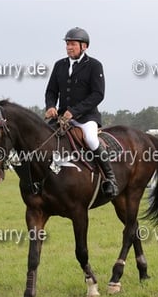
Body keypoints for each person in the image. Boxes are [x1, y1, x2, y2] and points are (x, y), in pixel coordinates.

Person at [44, 27, 119, 198]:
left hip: (86, 117)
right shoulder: (59, 65)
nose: (68, 47)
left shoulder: (94, 65)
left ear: (84, 46)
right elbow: (51, 91)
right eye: (67, 44)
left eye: (72, 44)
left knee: (91, 139)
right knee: (44, 137)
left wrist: (74, 111)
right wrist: (50, 106)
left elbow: (98, 94)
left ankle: (110, 179)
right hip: (62, 118)